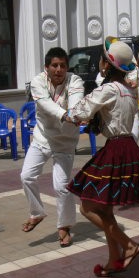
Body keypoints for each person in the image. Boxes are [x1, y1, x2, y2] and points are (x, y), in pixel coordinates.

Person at [66, 37, 139, 277]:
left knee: (87, 207)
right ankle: (114, 260)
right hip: (128, 149)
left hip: (115, 149)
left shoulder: (109, 89)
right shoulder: (129, 91)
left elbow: (80, 111)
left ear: (105, 65)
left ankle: (129, 244)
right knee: (106, 208)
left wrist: (67, 112)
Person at [20, 47, 84, 247]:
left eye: (63, 66)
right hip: (42, 138)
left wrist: (74, 113)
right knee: (26, 176)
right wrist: (66, 115)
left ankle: (64, 226)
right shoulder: (38, 82)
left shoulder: (75, 81)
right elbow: (46, 104)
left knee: (61, 187)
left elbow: (75, 102)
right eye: (54, 65)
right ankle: (37, 212)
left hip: (65, 142)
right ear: (46, 67)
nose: (59, 70)